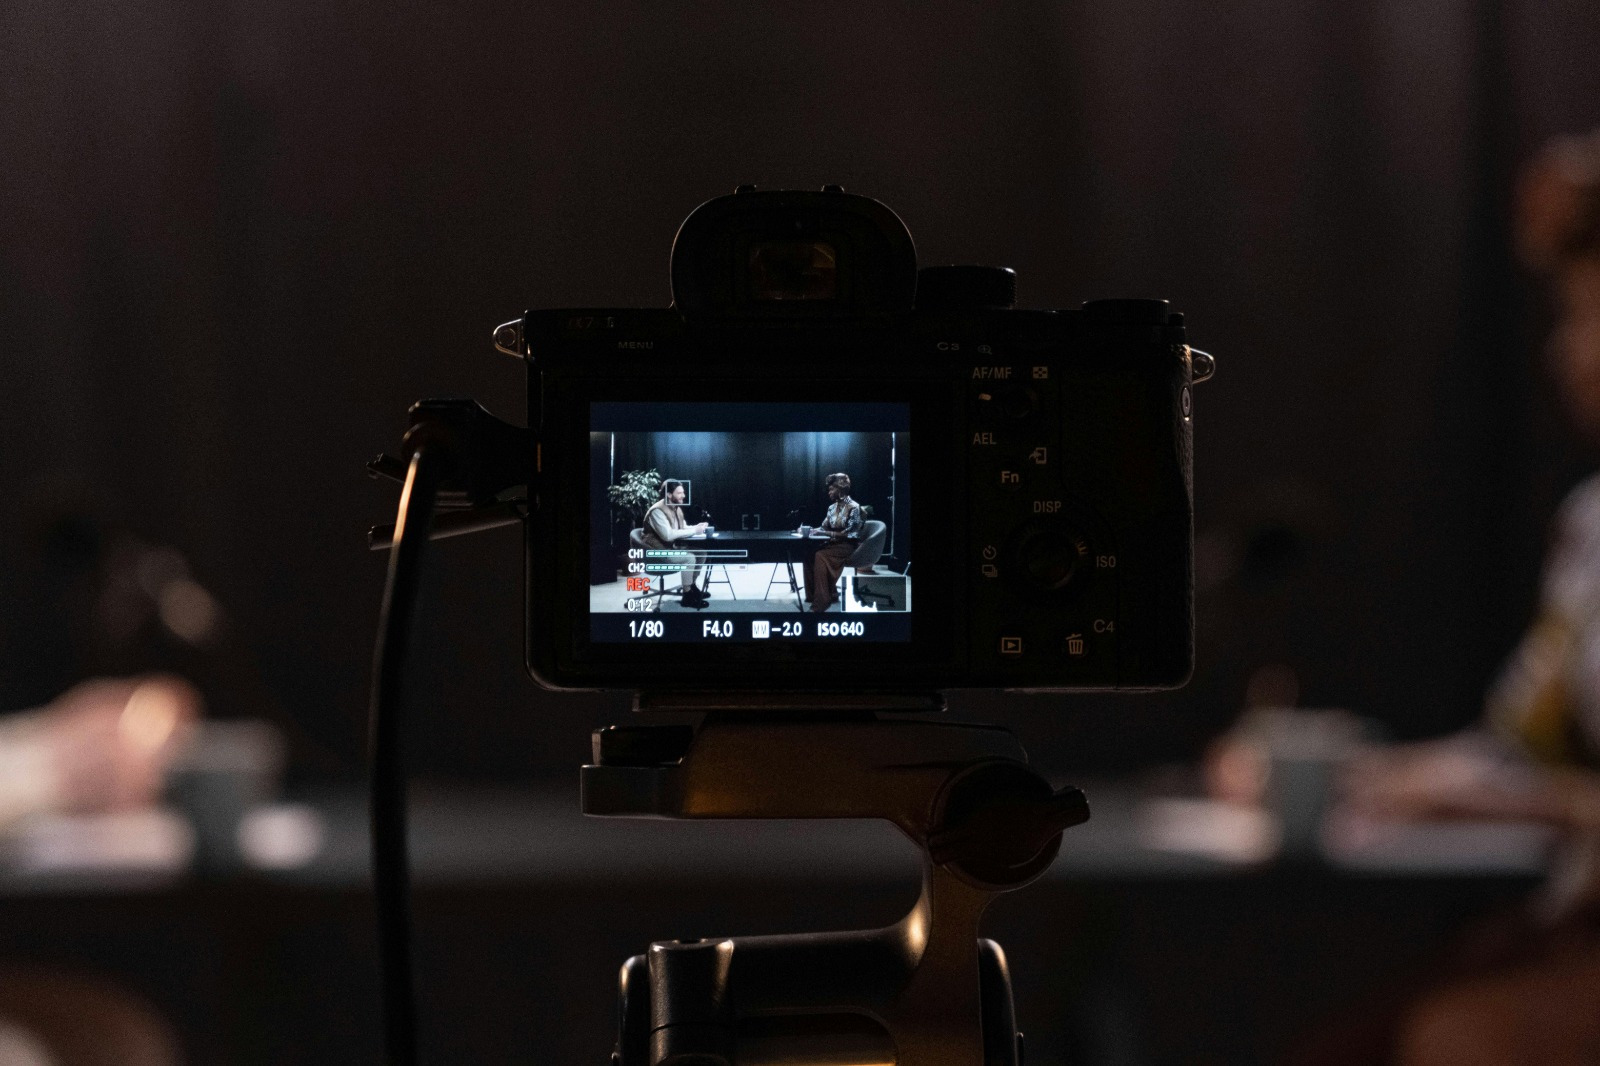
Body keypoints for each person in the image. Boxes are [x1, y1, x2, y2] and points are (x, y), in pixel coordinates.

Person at [1288, 130, 1600, 1066]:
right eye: (1570, 315)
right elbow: (1518, 751)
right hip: (1570, 922)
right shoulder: (1591, 526)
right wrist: (1358, 776)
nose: (1568, 352)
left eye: (1590, 315)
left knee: (1454, 1039)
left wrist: (1549, 809)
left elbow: (1547, 791)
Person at [801, 472, 863, 613]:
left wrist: (827, 534)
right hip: (833, 544)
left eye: (831, 489)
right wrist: (810, 530)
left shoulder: (854, 507)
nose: (829, 492)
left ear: (840, 489)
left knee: (820, 556)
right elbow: (823, 527)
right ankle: (815, 595)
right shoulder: (832, 508)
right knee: (809, 555)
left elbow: (851, 534)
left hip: (847, 546)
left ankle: (822, 602)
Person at [641, 480, 709, 607]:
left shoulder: (675, 508)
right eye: (679, 493)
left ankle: (691, 587)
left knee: (701, 553)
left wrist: (696, 527)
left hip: (669, 549)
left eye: (683, 492)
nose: (683, 496)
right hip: (656, 553)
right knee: (689, 558)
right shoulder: (657, 511)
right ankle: (687, 596)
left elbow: (682, 528)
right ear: (669, 494)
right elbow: (668, 535)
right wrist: (694, 531)